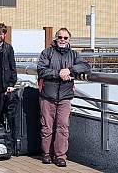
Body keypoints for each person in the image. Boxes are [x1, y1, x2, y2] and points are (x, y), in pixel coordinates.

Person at [37, 27, 91, 167]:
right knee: (47, 127)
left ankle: (60, 156)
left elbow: (86, 66)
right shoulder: (47, 52)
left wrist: (70, 70)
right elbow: (41, 70)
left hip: (65, 96)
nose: (62, 40)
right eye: (60, 37)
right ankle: (47, 154)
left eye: (65, 38)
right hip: (47, 95)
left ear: (69, 40)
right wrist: (58, 73)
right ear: (56, 38)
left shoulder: (74, 55)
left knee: (63, 127)